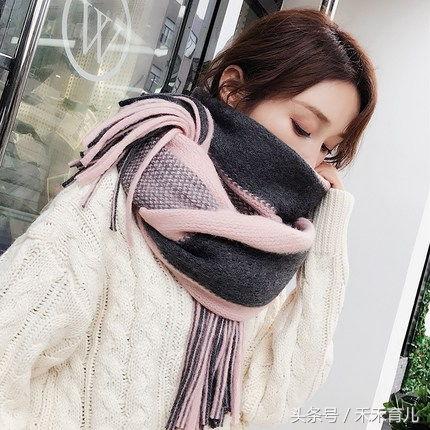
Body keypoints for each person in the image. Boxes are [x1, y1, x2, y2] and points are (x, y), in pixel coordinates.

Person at [0, 8, 377, 430]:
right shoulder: (124, 191)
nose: (310, 161)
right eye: (302, 127)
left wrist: (329, 239)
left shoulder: (269, 252)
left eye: (327, 148)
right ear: (234, 90)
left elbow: (268, 406)